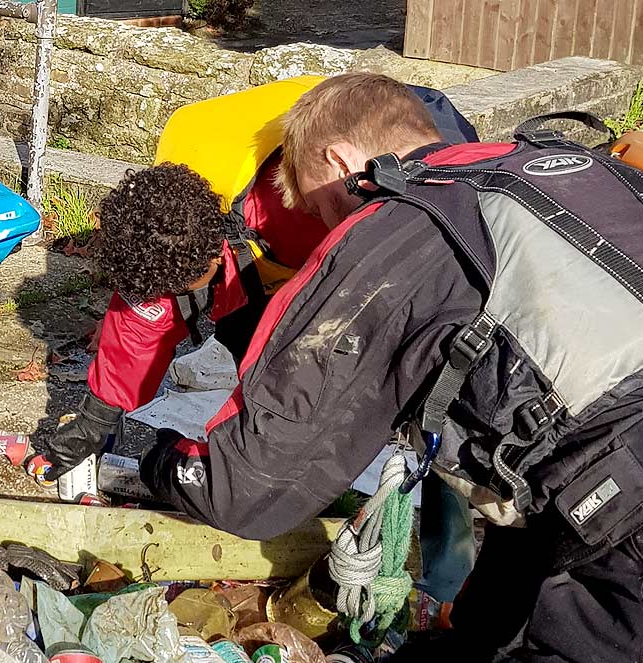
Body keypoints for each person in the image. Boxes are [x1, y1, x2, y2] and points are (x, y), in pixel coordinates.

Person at [138, 72, 643, 663]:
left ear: (342, 164)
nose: (327, 231)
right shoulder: (562, 176)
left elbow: (247, 486)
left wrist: (158, 457)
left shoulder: (404, 216)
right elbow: (563, 461)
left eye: (320, 212)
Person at [40, 78, 478, 603]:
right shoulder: (176, 193)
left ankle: (445, 568)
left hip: (385, 150)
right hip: (265, 225)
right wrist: (97, 416)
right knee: (265, 374)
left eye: (194, 291)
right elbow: (145, 315)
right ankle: (249, 466)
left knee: (434, 388)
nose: (184, 309)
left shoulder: (330, 207)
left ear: (215, 253)